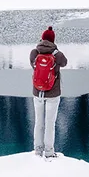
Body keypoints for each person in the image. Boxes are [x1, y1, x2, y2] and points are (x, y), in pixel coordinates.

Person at [30, 27, 68, 158]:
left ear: (42, 38)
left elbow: (33, 65)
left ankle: (38, 150)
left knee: (39, 122)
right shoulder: (57, 55)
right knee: (50, 124)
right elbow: (65, 63)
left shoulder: (34, 52)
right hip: (53, 94)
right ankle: (49, 152)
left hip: (38, 92)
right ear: (53, 40)